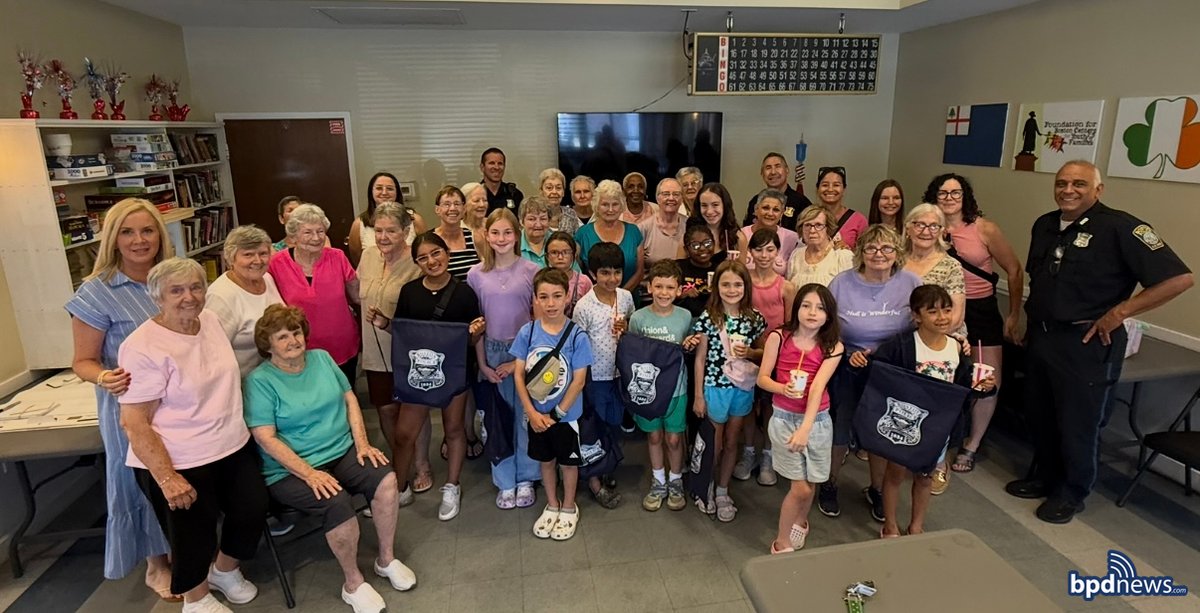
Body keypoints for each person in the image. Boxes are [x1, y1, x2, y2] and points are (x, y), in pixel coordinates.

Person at [1007, 160, 1192, 524]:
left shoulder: (1121, 227)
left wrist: (1120, 312)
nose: (1068, 190)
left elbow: (1178, 279)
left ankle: (1072, 492)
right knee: (1040, 415)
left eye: (1079, 183)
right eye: (1061, 183)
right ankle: (1045, 477)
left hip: (1087, 342)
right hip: (1044, 336)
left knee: (1078, 422)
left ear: (1098, 189)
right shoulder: (1045, 224)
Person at [117, 258, 267, 613]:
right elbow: (135, 422)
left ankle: (224, 571)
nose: (189, 297)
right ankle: (195, 598)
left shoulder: (210, 321)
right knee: (191, 534)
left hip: (230, 444)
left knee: (253, 507)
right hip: (178, 458)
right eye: (177, 290)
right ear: (158, 297)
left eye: (196, 287)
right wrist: (167, 477)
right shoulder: (143, 346)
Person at [244, 304, 416, 612]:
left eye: (295, 332)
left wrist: (362, 443)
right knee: (337, 503)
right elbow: (264, 437)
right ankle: (353, 583)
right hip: (290, 469)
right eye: (281, 337)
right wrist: (309, 473)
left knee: (387, 480)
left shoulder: (322, 359)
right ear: (267, 344)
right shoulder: (260, 381)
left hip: (340, 449)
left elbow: (349, 399)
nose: (292, 341)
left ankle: (386, 560)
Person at [66, 199, 175, 600]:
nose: (139, 240)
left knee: (177, 475)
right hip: (129, 407)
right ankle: (155, 564)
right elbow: (82, 361)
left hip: (176, 405)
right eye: (127, 232)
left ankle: (182, 546)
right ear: (113, 238)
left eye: (147, 230)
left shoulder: (170, 278)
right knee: (140, 482)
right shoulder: (97, 292)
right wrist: (104, 376)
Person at [864, 285, 995, 538]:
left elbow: (965, 385)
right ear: (916, 315)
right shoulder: (901, 344)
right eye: (932, 311)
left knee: (926, 476)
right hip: (903, 422)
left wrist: (984, 386)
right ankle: (890, 524)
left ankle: (916, 525)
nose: (942, 317)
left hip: (937, 426)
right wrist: (861, 363)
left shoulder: (956, 347)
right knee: (895, 473)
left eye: (947, 310)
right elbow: (879, 375)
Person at [378, 233, 485, 521]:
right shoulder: (410, 291)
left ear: (446, 254)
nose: (431, 261)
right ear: (416, 263)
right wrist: (385, 324)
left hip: (455, 371)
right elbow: (403, 332)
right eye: (422, 258)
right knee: (403, 434)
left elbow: (472, 341)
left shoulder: (464, 293)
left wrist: (476, 334)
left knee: (454, 430)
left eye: (435, 253)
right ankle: (399, 488)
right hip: (418, 375)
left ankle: (452, 486)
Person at [926, 174, 1024, 475]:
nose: (949, 197)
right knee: (940, 376)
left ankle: (972, 444)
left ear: (965, 196)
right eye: (943, 192)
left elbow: (1015, 269)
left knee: (986, 379)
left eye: (956, 192)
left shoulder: (984, 229)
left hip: (980, 310)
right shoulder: (928, 227)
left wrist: (1014, 315)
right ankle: (935, 438)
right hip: (942, 309)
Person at [823, 225, 922, 519]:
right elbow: (827, 328)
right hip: (847, 364)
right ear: (860, 253)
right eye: (871, 248)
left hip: (893, 369)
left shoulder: (911, 283)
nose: (879, 254)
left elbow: (924, 321)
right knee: (841, 427)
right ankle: (829, 483)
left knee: (882, 430)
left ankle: (876, 489)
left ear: (897, 253)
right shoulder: (841, 283)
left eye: (887, 248)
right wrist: (847, 354)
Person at [757, 284, 842, 554]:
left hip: (817, 421)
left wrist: (806, 428)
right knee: (801, 489)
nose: (812, 312)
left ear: (829, 314)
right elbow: (762, 378)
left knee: (814, 479)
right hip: (783, 418)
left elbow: (817, 388)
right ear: (797, 308)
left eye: (820, 307)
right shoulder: (779, 337)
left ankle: (801, 521)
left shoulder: (833, 346)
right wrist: (783, 388)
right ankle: (781, 543)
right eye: (806, 305)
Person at [468, 209, 542, 509]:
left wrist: (520, 360)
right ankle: (504, 479)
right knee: (498, 420)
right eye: (495, 233)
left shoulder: (531, 270)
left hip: (522, 352)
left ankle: (527, 476)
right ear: (487, 235)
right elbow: (477, 325)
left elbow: (538, 321)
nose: (501, 239)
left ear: (518, 234)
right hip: (491, 351)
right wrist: (483, 363)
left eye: (507, 233)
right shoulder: (476, 274)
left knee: (525, 418)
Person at [512, 268, 594, 541]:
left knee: (568, 463)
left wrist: (558, 413)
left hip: (566, 416)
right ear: (534, 298)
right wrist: (531, 412)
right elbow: (518, 374)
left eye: (557, 296)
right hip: (536, 415)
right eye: (544, 297)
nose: (551, 303)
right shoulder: (528, 332)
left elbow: (579, 380)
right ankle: (552, 503)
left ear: (568, 296)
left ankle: (569, 506)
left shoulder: (577, 335)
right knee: (545, 461)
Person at [691, 260, 767, 522]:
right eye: (726, 284)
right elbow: (699, 359)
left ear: (746, 287)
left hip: (742, 387)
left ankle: (723, 490)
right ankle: (707, 486)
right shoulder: (708, 318)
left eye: (737, 284)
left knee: (733, 440)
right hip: (715, 386)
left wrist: (752, 353)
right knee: (716, 442)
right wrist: (699, 395)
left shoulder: (754, 318)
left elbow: (763, 352)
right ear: (716, 287)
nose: (732, 289)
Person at [357, 203, 423, 498]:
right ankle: (400, 470)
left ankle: (420, 465)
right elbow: (355, 291)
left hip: (406, 352)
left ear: (406, 231)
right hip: (374, 351)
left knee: (411, 414)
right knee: (385, 410)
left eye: (391, 231)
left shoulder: (416, 261)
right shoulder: (368, 256)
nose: (383, 237)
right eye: (378, 230)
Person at [629, 260, 702, 512]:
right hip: (647, 393)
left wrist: (691, 343)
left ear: (679, 289)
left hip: (677, 389)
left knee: (673, 438)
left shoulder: (685, 317)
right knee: (654, 435)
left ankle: (676, 480)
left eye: (670, 287)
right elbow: (632, 355)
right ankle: (658, 481)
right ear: (649, 287)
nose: (663, 293)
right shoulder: (638, 318)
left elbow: (690, 346)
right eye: (658, 286)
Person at [572, 242, 637, 508]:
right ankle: (594, 481)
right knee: (593, 428)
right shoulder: (584, 307)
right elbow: (576, 346)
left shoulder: (626, 297)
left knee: (612, 423)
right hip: (593, 377)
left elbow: (633, 326)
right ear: (593, 273)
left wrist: (627, 327)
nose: (612, 279)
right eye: (605, 273)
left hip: (618, 373)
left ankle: (606, 465)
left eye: (617, 272)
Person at [269, 203, 361, 384]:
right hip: (298, 349)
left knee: (346, 398)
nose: (316, 238)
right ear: (293, 236)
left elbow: (357, 294)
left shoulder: (337, 257)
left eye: (320, 231)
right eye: (308, 232)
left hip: (342, 346)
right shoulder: (276, 264)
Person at [734, 228, 798, 486]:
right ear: (750, 252)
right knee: (748, 404)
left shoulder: (787, 286)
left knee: (771, 405)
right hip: (745, 351)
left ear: (778, 252)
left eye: (770, 249)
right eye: (758, 249)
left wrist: (773, 351)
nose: (764, 255)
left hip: (774, 355)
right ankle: (749, 452)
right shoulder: (743, 280)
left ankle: (769, 455)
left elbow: (789, 326)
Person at [205, 226, 284, 377]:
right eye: (248, 255)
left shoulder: (267, 278)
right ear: (231, 258)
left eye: (263, 253)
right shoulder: (221, 296)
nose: (257, 261)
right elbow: (212, 353)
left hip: (273, 377)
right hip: (242, 383)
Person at [575, 179, 645, 294]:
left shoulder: (633, 232)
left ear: (622, 205)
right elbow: (578, 273)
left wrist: (620, 296)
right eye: (605, 204)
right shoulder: (582, 234)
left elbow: (639, 272)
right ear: (596, 206)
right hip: (593, 302)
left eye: (615, 204)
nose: (611, 209)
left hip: (629, 300)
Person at [350, 172, 427, 267]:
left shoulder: (415, 220)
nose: (384, 192)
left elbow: (425, 250)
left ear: (397, 192)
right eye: (379, 188)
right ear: (371, 192)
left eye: (390, 189)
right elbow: (357, 257)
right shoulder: (359, 224)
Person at [742, 152, 813, 232]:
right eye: (768, 168)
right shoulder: (755, 201)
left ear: (787, 170)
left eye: (777, 166)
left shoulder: (801, 202)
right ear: (762, 174)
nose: (773, 172)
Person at [787, 206, 854, 288]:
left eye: (818, 225)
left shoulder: (843, 256)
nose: (812, 231)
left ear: (828, 228)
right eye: (807, 225)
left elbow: (850, 293)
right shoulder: (796, 254)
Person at [741, 189, 799, 276]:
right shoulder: (741, 235)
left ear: (782, 213)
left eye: (776, 210)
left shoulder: (792, 238)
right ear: (756, 209)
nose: (770, 213)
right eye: (765, 208)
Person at [429, 185, 481, 281]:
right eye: (446, 204)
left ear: (464, 208)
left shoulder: (475, 237)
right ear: (437, 209)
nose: (452, 208)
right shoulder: (429, 241)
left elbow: (487, 270)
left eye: (457, 204)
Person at [675, 224, 726, 318]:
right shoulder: (677, 268)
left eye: (707, 243)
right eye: (695, 245)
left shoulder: (721, 270)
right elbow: (664, 293)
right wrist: (682, 295)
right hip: (682, 319)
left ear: (714, 244)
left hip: (712, 319)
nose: (702, 248)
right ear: (686, 249)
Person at [639, 178, 687, 273]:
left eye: (676, 194)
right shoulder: (643, 228)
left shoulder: (690, 225)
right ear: (657, 198)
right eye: (666, 194)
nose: (671, 198)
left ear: (682, 199)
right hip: (648, 285)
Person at [814, 167, 868, 250]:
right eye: (825, 185)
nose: (830, 189)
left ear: (844, 189)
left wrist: (848, 251)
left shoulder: (859, 220)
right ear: (818, 189)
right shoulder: (810, 218)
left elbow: (866, 253)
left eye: (836, 185)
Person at [691, 182, 747, 262]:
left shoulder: (738, 239)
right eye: (704, 205)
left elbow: (742, 273)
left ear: (725, 205)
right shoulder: (688, 237)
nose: (709, 211)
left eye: (715, 205)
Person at [545, 231, 591, 316]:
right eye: (554, 252)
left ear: (573, 255)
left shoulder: (584, 281)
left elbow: (590, 310)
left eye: (565, 252)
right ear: (547, 256)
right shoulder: (541, 280)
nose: (560, 257)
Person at [481, 147, 524, 213]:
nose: (496, 167)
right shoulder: (474, 194)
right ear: (482, 167)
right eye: (492, 163)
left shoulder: (515, 194)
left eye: (500, 163)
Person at [539, 168, 581, 235]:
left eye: (558, 188)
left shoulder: (571, 214)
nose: (554, 192)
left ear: (563, 192)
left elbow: (576, 242)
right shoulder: (534, 215)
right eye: (549, 188)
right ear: (541, 191)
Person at [518, 195, 553, 267]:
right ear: (521, 221)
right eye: (532, 219)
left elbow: (575, 276)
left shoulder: (561, 243)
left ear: (549, 221)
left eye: (543, 219)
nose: (538, 225)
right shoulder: (512, 246)